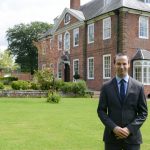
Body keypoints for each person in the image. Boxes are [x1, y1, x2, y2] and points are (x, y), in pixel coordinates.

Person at [97, 53, 148, 150]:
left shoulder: (138, 86)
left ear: (129, 64)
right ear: (114, 65)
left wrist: (129, 129)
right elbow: (101, 111)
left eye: (124, 64)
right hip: (112, 138)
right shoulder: (106, 87)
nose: (121, 67)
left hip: (132, 138)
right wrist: (114, 128)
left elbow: (143, 113)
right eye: (118, 64)